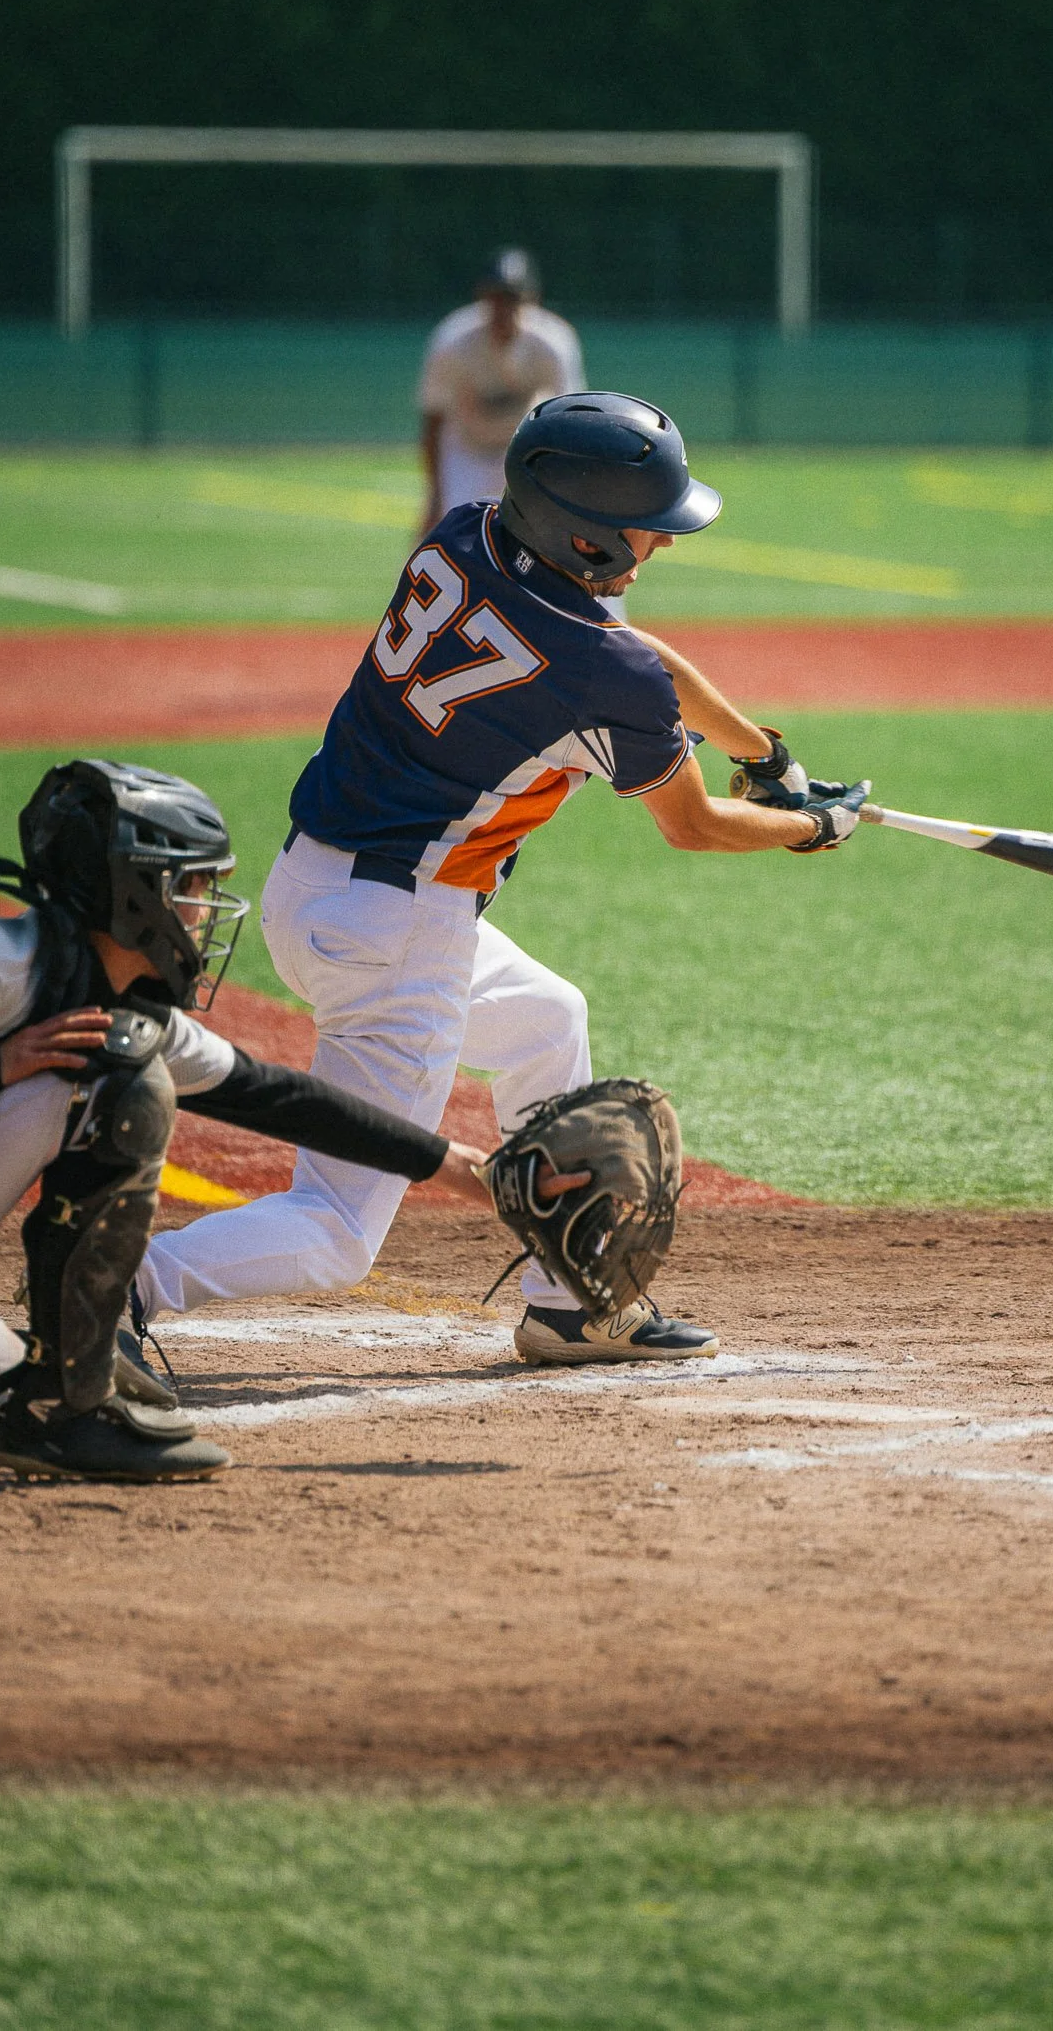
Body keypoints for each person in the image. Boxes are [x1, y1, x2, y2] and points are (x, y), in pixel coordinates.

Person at [133, 391, 870, 1368]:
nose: (664, 543)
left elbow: (632, 656)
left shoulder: (464, 536)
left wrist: (763, 752)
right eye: (648, 527)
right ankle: (112, 1291)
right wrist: (803, 824)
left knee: (544, 1018)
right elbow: (691, 822)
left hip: (319, 886)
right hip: (398, 932)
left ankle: (567, 1302)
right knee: (336, 1231)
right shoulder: (603, 675)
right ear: (590, 539)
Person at [0, 759, 494, 1545]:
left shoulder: (112, 1002)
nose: (202, 909)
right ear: (129, 891)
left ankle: (56, 1410)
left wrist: (470, 1171)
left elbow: (272, 1094)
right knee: (104, 1088)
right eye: (186, 886)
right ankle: (60, 1412)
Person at [417, 249, 585, 533]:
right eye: (495, 297)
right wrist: (435, 494)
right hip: (465, 450)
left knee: (538, 536)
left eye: (512, 298)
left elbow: (570, 420)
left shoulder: (553, 343)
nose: (503, 308)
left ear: (531, 299)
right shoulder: (453, 341)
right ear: (482, 298)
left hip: (522, 452)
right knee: (447, 533)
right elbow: (434, 419)